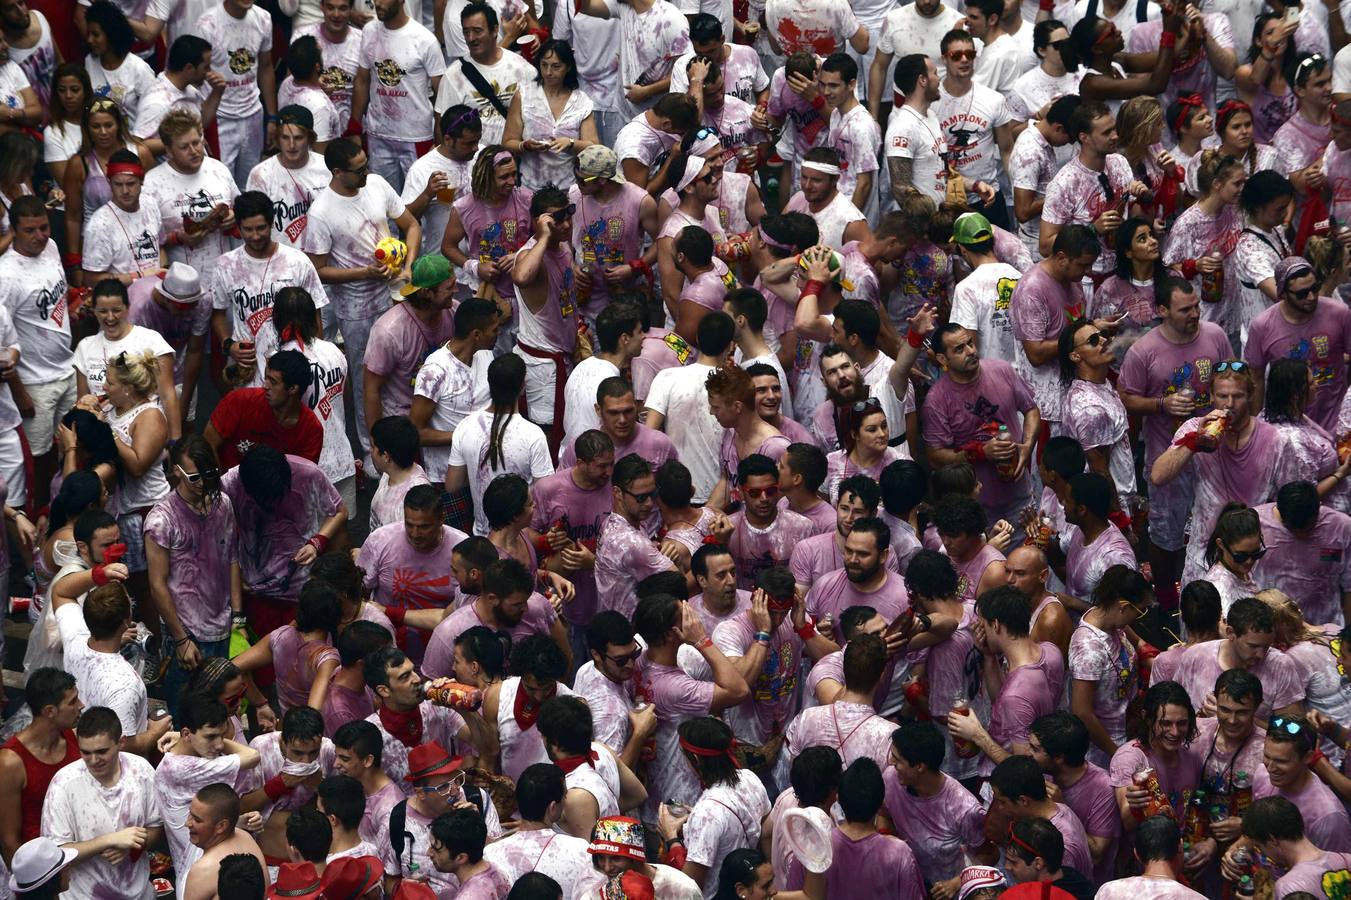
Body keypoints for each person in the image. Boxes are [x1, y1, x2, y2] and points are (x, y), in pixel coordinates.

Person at [305, 137, 421, 451]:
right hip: (355, 307)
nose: (366, 174)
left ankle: (404, 435)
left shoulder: (378, 184)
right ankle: (373, 449)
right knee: (365, 377)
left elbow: (411, 226)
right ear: (337, 172)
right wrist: (365, 273)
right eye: (358, 171)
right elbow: (318, 270)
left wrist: (408, 266)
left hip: (395, 294)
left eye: (366, 165)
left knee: (403, 367)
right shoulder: (321, 212)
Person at [1152, 357, 1294, 584]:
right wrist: (1194, 442)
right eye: (1222, 396)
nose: (1229, 404)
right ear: (1210, 396)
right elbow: (1158, 476)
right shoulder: (1194, 429)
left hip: (1252, 559)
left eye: (1237, 396)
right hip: (1204, 553)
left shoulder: (1276, 440)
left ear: (1250, 395)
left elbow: (1286, 504)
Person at [145, 436, 240, 706]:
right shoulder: (161, 521)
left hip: (223, 626)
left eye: (209, 475)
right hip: (188, 633)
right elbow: (157, 585)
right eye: (194, 477)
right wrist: (181, 639)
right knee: (184, 713)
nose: (202, 484)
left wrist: (238, 617)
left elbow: (231, 558)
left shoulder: (223, 504)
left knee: (221, 710)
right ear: (177, 471)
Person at [40, 706, 162, 900]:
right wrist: (109, 840)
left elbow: (156, 827)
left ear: (121, 742)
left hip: (138, 894)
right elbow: (56, 854)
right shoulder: (63, 784)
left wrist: (132, 845)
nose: (93, 760)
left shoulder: (142, 771)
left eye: (101, 751)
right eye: (85, 752)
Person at [0, 196, 76, 508]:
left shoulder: (52, 247)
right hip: (34, 381)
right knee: (38, 458)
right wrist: (19, 392)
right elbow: (3, 343)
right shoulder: (6, 276)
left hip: (66, 369)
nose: (40, 236)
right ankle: (38, 518)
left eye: (44, 227)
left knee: (73, 446)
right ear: (13, 231)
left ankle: (67, 511)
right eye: (30, 230)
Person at [154, 695, 263, 898]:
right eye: (211, 737)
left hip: (210, 867)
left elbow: (203, 820)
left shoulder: (187, 758)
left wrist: (237, 822)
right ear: (187, 734)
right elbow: (252, 756)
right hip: (200, 876)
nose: (220, 745)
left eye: (222, 736)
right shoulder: (181, 768)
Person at [948, 586, 1064, 775]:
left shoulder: (1016, 694)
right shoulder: (1051, 652)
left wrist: (977, 735)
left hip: (1008, 782)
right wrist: (988, 656)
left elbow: (1023, 768)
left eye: (983, 624)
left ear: (995, 625)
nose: (981, 630)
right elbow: (1003, 705)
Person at [211, 189, 334, 366]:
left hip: (293, 371)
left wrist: (316, 360)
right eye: (248, 229)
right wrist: (228, 345)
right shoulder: (225, 265)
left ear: (271, 223)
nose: (255, 236)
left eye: (261, 228)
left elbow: (315, 314)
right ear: (238, 228)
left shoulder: (297, 262)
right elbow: (218, 314)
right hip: (249, 370)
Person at [54, 580, 170, 756]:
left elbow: (60, 592)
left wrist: (97, 575)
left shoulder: (74, 637)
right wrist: (155, 732)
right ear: (127, 621)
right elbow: (121, 745)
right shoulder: (124, 684)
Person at [446, 353, 554, 536]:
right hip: (520, 538)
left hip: (482, 537)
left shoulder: (465, 427)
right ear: (522, 386)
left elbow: (452, 485)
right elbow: (545, 494)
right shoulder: (533, 435)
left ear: (489, 384)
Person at [510, 186, 581, 452]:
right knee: (546, 433)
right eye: (556, 219)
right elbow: (521, 277)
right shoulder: (530, 254)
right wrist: (541, 237)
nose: (565, 224)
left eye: (568, 214)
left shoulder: (564, 247)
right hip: (542, 364)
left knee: (566, 430)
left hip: (564, 355)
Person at [1246, 255, 1351, 431]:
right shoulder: (1262, 326)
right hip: (1287, 429)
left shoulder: (1339, 313)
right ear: (1283, 293)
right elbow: (1256, 378)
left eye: (1315, 288)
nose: (1311, 297)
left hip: (1335, 422)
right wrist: (1256, 429)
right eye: (1302, 294)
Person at [350, 0, 444, 192]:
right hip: (379, 135)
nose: (378, 3)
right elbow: (362, 79)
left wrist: (440, 139)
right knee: (383, 202)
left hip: (416, 136)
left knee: (421, 200)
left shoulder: (424, 39)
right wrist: (354, 125)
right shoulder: (369, 31)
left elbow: (442, 93)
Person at [363, 251, 457, 439]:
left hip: (440, 416)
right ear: (427, 293)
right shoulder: (388, 331)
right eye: (449, 287)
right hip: (402, 427)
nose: (455, 291)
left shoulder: (454, 311)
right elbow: (371, 388)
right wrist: (377, 442)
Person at [645, 312, 736, 504]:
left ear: (697, 339)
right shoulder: (735, 384)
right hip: (722, 495)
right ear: (730, 346)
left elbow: (648, 436)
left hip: (675, 493)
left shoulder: (666, 377)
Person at [141, 110, 239, 288]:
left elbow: (242, 211)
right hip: (181, 289)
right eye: (184, 147)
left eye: (196, 143)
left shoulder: (218, 169)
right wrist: (178, 237)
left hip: (225, 279)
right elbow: (144, 240)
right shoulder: (152, 184)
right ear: (169, 150)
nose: (193, 151)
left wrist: (234, 216)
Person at [408, 294, 496, 489]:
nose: (498, 333)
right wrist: (466, 435)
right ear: (476, 335)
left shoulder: (487, 356)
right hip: (447, 477)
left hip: (484, 471)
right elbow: (416, 433)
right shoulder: (435, 372)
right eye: (494, 330)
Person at [1172, 596, 1306, 721]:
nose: (1260, 655)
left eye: (1266, 647)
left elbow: (1293, 729)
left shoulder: (1280, 666)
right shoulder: (1196, 657)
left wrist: (1234, 718)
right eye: (1253, 646)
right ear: (1230, 633)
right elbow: (1174, 709)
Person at [0, 669, 83, 864]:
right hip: (42, 868)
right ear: (50, 711)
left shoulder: (74, 738)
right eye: (72, 702)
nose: (81, 705)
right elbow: (9, 840)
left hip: (79, 856)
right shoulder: (10, 762)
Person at [1069, 565, 1149, 767]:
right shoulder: (1088, 649)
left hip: (1128, 729)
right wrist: (1118, 755)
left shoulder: (1112, 620)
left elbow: (1139, 643)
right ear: (1123, 606)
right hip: (1105, 750)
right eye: (1140, 610)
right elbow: (1082, 712)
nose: (1140, 617)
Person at [1028, 712, 1121, 883]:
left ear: (1058, 758)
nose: (1028, 753)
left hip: (1084, 885)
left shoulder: (1102, 787)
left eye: (1035, 749)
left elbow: (1097, 853)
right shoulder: (1041, 773)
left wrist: (1061, 809)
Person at [567, 147, 660, 309]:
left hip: (626, 295)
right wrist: (571, 265)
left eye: (582, 180)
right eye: (576, 177)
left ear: (602, 180)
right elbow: (564, 237)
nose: (577, 184)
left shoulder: (640, 201)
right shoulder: (574, 195)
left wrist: (634, 268)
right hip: (585, 294)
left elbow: (662, 243)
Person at [356, 485, 467, 619]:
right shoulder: (379, 541)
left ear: (441, 519)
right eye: (409, 525)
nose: (415, 534)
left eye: (424, 527)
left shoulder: (462, 549)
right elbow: (360, 594)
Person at [440, 146, 533, 304]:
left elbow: (543, 237)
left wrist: (521, 255)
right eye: (504, 177)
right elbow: (448, 247)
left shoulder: (527, 199)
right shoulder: (463, 208)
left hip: (527, 290)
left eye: (514, 174)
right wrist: (475, 267)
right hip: (488, 294)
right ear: (487, 177)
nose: (512, 182)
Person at [502, 38, 598, 190]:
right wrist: (525, 145)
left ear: (568, 67)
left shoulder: (581, 101)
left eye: (556, 66)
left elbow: (593, 146)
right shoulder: (524, 96)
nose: (548, 72)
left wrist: (571, 143)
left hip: (569, 186)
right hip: (531, 186)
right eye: (544, 65)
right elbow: (508, 141)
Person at [435, 2, 534, 147]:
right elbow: (441, 128)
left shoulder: (522, 69)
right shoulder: (453, 77)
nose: (471, 38)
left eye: (477, 31)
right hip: (474, 163)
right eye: (466, 32)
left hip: (516, 159)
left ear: (494, 30)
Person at [1254, 481, 1351, 626]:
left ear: (1319, 506)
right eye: (1292, 528)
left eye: (1308, 528)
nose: (1300, 534)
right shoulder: (1256, 523)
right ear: (1279, 510)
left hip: (1323, 629)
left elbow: (1349, 586)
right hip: (1270, 628)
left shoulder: (1342, 528)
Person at [1109, 681, 1202, 832]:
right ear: (1147, 717)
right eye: (1165, 723)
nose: (1175, 732)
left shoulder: (1191, 757)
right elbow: (1128, 823)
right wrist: (1135, 806)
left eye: (1182, 723)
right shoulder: (1130, 759)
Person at [205, 350, 323, 470]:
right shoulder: (239, 401)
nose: (265, 386)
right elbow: (207, 444)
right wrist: (218, 485)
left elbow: (303, 478)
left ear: (292, 389)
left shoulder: (311, 430)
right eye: (266, 378)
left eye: (273, 382)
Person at [1060, 321, 1135, 505]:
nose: (1103, 340)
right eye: (1093, 340)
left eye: (1102, 334)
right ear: (1075, 356)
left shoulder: (1101, 385)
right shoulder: (1089, 408)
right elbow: (1100, 471)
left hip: (1123, 498)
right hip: (1109, 506)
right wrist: (1120, 521)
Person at [1252, 714, 1351, 851]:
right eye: (1267, 757)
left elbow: (1334, 870)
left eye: (1281, 761)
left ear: (1308, 757)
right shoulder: (1262, 775)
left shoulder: (1328, 817)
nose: (1270, 768)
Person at [400, 105, 482, 260]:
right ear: (448, 140)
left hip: (480, 260)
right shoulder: (423, 168)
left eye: (478, 141)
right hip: (442, 263)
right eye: (469, 143)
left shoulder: (481, 157)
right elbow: (404, 221)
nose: (475, 148)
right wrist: (427, 194)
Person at [246, 106, 332, 250]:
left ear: (309, 139)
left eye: (298, 138)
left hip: (322, 256)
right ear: (277, 139)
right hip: (281, 261)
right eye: (285, 137)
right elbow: (253, 226)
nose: (291, 145)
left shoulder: (326, 168)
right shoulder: (261, 175)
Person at [562, 302, 644, 452]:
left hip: (572, 456)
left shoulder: (582, 366)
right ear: (625, 339)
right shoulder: (610, 385)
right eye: (639, 332)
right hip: (594, 461)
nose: (643, 337)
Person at [79, 149, 165, 285]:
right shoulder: (99, 225)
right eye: (118, 184)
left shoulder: (151, 204)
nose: (125, 191)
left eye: (130, 184)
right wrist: (138, 276)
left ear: (141, 180)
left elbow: (160, 246)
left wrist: (163, 272)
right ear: (109, 182)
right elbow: (91, 279)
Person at [130, 35, 224, 149]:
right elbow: (139, 145)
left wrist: (217, 92)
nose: (209, 72)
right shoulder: (157, 103)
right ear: (189, 68)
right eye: (206, 67)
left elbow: (202, 122)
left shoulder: (188, 89)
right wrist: (181, 142)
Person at [181, 784, 269, 900]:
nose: (187, 823)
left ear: (221, 826)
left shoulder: (203, 869)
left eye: (197, 820)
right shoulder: (245, 836)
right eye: (190, 814)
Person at [331, 721, 400, 848]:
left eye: (344, 759)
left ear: (368, 760)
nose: (336, 764)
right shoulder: (352, 786)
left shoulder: (389, 808)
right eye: (336, 756)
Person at [1002, 815, 1096, 900]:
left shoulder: (1054, 896)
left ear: (1038, 863)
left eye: (1013, 862)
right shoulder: (1072, 875)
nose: (1007, 866)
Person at [1203, 504, 1264, 615]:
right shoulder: (1219, 589)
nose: (1249, 561)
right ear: (1221, 544)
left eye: (1256, 553)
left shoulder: (1240, 567)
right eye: (1241, 556)